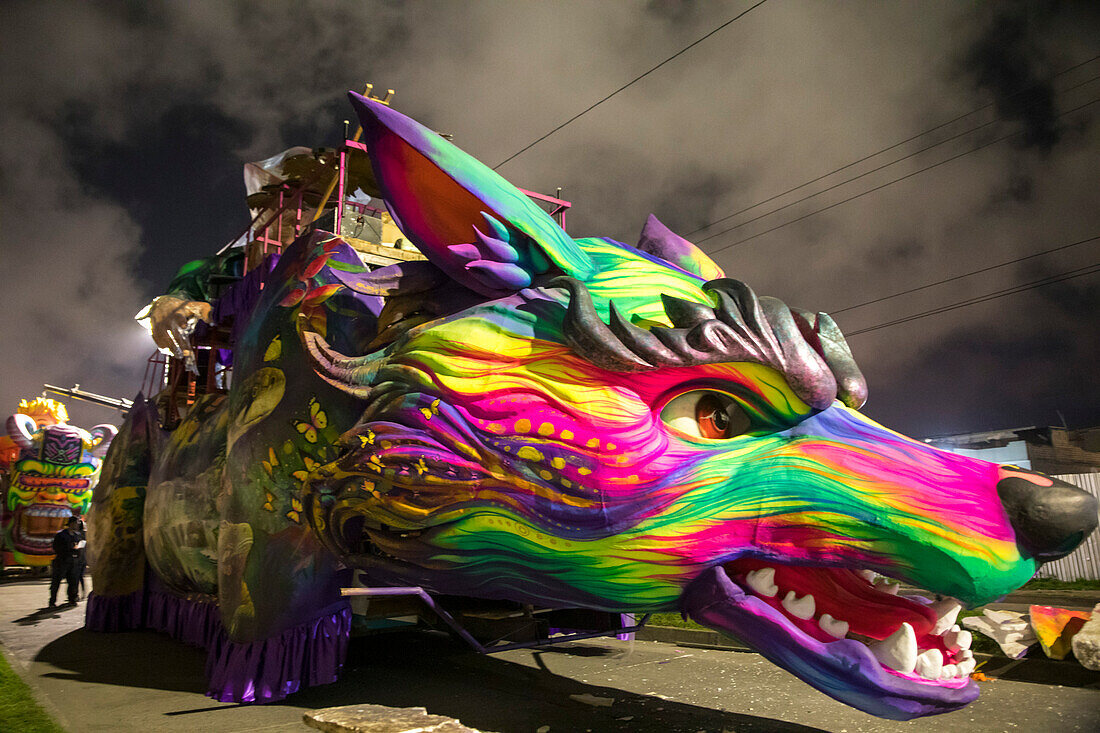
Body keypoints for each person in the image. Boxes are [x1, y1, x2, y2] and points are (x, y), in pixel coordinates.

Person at [48, 517, 82, 608]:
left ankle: (72, 599)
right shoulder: (61, 535)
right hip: (61, 561)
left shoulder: (77, 535)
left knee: (73, 582)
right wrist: (70, 548)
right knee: (56, 582)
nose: (77, 525)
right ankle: (52, 601)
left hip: (72, 561)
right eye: (76, 523)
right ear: (71, 523)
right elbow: (56, 548)